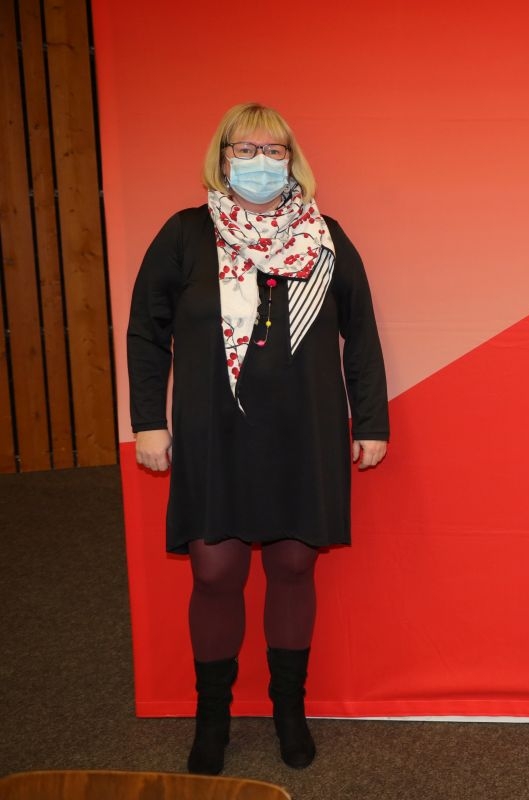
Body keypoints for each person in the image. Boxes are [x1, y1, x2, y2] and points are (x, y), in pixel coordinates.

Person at [127, 102, 390, 775]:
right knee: (215, 572)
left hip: (305, 431)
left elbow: (359, 332)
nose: (260, 163)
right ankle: (212, 717)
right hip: (213, 432)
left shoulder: (326, 238)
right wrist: (149, 421)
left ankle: (288, 711)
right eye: (243, 150)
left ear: (291, 161)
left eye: (273, 150)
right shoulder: (185, 235)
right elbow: (146, 332)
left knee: (294, 567)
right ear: (221, 160)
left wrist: (371, 421)